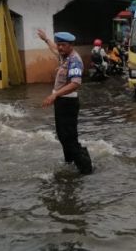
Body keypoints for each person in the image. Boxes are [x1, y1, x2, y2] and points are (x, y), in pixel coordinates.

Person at [37, 29, 93, 175]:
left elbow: (75, 83)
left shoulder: (74, 60)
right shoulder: (64, 57)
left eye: (63, 45)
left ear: (71, 45)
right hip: (62, 102)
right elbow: (54, 49)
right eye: (58, 44)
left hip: (68, 103)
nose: (59, 47)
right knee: (63, 136)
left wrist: (55, 95)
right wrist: (46, 39)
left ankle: (86, 169)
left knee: (69, 138)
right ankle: (70, 163)